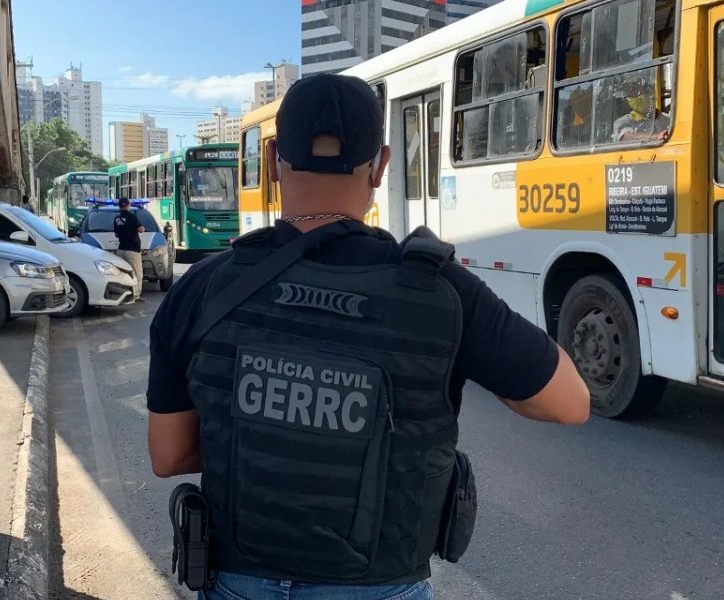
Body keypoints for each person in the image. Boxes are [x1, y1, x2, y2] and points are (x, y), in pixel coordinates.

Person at [147, 74, 590, 600]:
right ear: (380, 165)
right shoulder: (442, 291)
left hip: (237, 582)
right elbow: (571, 402)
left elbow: (169, 455)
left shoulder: (203, 287)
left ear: (270, 161)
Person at [113, 197, 145, 299]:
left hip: (121, 249)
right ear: (128, 205)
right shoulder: (131, 216)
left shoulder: (117, 219)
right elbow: (141, 229)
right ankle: (136, 295)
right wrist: (142, 227)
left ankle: (123, 294)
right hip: (132, 250)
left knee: (123, 273)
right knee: (137, 274)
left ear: (119, 206)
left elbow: (116, 234)